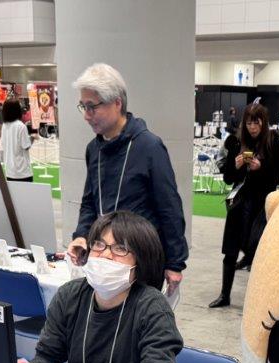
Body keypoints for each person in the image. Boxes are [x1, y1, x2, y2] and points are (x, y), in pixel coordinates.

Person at [18, 210, 183, 363]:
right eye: (99, 245)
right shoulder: (70, 295)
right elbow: (48, 354)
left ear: (141, 260)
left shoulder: (152, 307)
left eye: (120, 248)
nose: (105, 254)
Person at [67, 63, 188, 298]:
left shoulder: (149, 146)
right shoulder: (94, 149)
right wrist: (81, 236)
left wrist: (175, 263)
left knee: (138, 318)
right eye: (83, 106)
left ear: (117, 103)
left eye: (92, 107)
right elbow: (90, 202)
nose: (86, 115)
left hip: (141, 259)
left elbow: (170, 208)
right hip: (105, 259)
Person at [209, 103, 279, 308]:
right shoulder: (236, 142)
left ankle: (259, 300)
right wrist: (236, 165)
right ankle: (225, 295)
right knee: (230, 251)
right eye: (249, 123)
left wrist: (261, 167)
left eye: (256, 123)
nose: (252, 127)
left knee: (258, 251)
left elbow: (277, 178)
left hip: (260, 205)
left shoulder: (272, 142)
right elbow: (228, 178)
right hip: (239, 203)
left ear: (263, 122)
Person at [0, 98, 32, 182]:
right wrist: (33, 138)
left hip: (9, 170)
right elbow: (26, 146)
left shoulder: (4, 126)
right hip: (22, 171)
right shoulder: (21, 126)